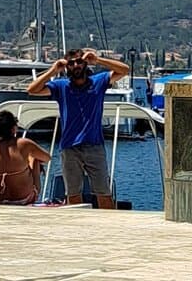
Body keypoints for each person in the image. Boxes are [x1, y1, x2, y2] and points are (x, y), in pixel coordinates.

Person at [27, 48, 129, 207]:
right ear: (67, 67)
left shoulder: (98, 81)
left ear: (85, 63)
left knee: (104, 193)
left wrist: (98, 60)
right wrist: (53, 70)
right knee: (73, 195)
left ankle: (109, 226)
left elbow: (124, 70)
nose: (76, 65)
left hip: (94, 146)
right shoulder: (61, 86)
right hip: (69, 148)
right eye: (71, 63)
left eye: (80, 61)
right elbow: (32, 90)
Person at [0, 109, 51, 205]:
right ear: (13, 128)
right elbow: (47, 158)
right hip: (23, 198)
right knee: (35, 159)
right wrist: (31, 160)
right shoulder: (24, 143)